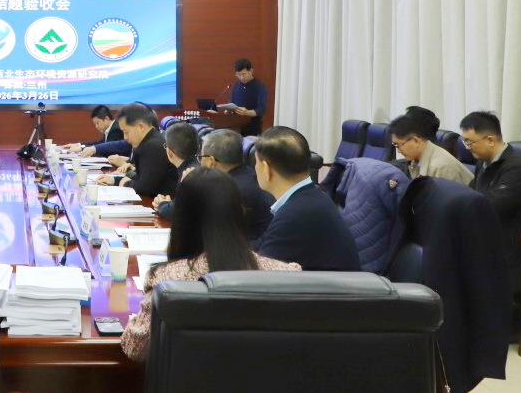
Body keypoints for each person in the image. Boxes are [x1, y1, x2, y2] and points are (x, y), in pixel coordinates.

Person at [120, 167, 301, 362]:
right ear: (239, 214)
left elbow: (135, 348)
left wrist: (134, 319)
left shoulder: (167, 279)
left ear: (181, 220)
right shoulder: (287, 276)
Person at [255, 126, 360, 271]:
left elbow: (261, 273)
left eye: (256, 162)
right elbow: (261, 245)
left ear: (266, 169)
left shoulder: (296, 214)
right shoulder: (310, 197)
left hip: (325, 286)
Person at [459, 111, 521, 296]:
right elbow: (468, 196)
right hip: (487, 234)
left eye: (469, 142)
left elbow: (491, 207)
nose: (467, 147)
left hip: (511, 245)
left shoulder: (518, 168)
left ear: (490, 140)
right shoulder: (483, 163)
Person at [197, 129, 275, 240]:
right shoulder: (247, 174)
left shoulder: (229, 191)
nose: (200, 163)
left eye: (201, 158)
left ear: (211, 161)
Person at [95, 103, 177, 197]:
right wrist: (114, 180)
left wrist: (125, 183)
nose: (125, 137)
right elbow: (140, 178)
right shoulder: (149, 141)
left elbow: (145, 188)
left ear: (141, 126)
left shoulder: (153, 146)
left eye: (126, 132)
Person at [389, 113, 473, 185]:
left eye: (398, 145)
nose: (398, 151)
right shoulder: (416, 160)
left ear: (415, 141)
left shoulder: (441, 166)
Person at [151, 122, 200, 219]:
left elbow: (178, 212)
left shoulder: (190, 173)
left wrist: (163, 205)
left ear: (169, 152)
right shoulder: (195, 165)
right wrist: (167, 204)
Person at [229, 58, 267, 136]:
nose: (241, 77)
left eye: (244, 74)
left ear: (251, 71)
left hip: (252, 127)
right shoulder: (236, 86)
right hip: (236, 127)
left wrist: (247, 112)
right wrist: (228, 109)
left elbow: (261, 110)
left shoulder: (260, 86)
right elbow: (231, 103)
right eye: (238, 75)